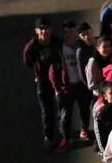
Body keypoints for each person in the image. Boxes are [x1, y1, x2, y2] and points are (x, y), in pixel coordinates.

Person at [23, 17, 65, 152]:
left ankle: (63, 133)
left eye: (47, 28)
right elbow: (28, 61)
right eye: (41, 28)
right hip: (42, 81)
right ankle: (49, 136)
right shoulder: (31, 47)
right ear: (36, 30)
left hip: (57, 79)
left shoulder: (57, 42)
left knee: (62, 106)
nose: (44, 31)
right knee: (47, 110)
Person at [59, 20, 92, 145]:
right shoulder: (60, 48)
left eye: (72, 32)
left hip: (82, 84)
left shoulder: (82, 46)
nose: (69, 35)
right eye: (66, 32)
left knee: (84, 109)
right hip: (67, 85)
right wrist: (58, 85)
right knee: (66, 114)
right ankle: (66, 137)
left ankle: (84, 130)